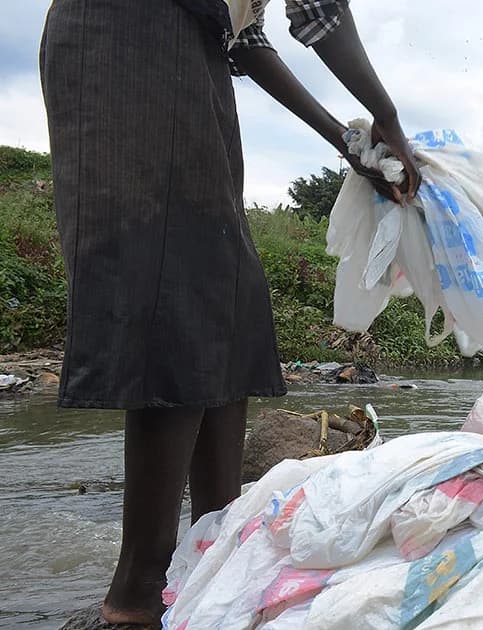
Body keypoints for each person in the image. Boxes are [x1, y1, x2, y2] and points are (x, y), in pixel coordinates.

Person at [40, 0, 420, 624]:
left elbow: (246, 42)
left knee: (229, 297)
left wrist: (351, 142)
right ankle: (140, 587)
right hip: (125, 35)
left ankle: (219, 548)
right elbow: (318, 10)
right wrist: (386, 115)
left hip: (195, 45)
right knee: (177, 289)